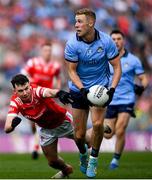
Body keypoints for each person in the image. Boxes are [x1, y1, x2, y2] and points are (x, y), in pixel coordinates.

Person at [64, 8, 122, 178]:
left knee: (97, 125)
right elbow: (72, 71)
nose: (76, 25)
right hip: (78, 89)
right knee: (79, 135)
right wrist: (82, 89)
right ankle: (83, 154)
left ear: (91, 23)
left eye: (80, 21)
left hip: (100, 89)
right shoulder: (72, 44)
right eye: (75, 21)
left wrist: (111, 90)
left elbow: (117, 67)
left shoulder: (106, 41)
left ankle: (93, 160)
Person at [4, 74, 75, 179]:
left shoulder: (36, 90)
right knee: (52, 162)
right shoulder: (15, 101)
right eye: (20, 91)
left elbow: (49, 92)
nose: (25, 93)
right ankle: (66, 169)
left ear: (29, 85)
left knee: (85, 139)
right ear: (15, 90)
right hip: (45, 129)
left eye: (26, 88)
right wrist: (13, 125)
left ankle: (99, 129)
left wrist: (59, 93)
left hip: (62, 121)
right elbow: (7, 128)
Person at [104, 29, 148, 170]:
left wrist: (142, 87)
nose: (116, 41)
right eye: (113, 39)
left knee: (120, 129)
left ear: (123, 41)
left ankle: (115, 160)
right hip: (111, 100)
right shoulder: (105, 59)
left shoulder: (133, 60)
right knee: (108, 134)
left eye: (118, 39)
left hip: (127, 99)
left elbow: (143, 78)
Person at [21, 42, 62, 159]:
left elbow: (57, 79)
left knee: (44, 122)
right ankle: (36, 143)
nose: (47, 53)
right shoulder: (33, 62)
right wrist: (31, 80)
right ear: (41, 51)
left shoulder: (55, 66)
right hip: (33, 96)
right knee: (34, 124)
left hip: (46, 98)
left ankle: (36, 147)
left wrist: (57, 91)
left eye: (49, 51)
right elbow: (23, 75)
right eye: (45, 50)